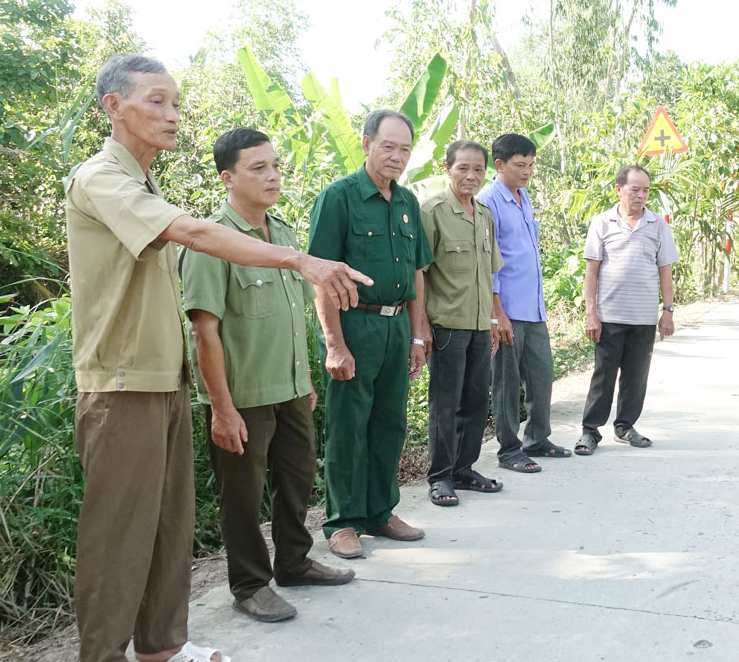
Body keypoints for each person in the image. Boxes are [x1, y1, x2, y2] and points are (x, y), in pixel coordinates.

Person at [66, 55, 369, 662]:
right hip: (120, 383)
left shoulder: (141, 187)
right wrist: (299, 258)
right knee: (119, 529)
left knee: (170, 522)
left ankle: (160, 641)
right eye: (155, 101)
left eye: (176, 102)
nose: (172, 114)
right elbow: (195, 233)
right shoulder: (100, 179)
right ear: (113, 107)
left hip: (161, 377)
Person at [179, 128, 356, 625]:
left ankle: (294, 563)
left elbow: (288, 317)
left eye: (275, 165)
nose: (273, 175)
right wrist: (221, 407)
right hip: (244, 396)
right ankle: (250, 585)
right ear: (227, 178)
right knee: (242, 495)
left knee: (298, 480)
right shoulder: (210, 241)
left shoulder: (283, 235)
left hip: (292, 389)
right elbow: (204, 332)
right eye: (258, 168)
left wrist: (305, 381)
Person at [308, 109, 433, 560]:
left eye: (404, 149)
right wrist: (335, 344)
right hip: (353, 323)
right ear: (366, 144)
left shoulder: (406, 202)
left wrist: (417, 337)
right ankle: (343, 523)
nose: (396, 156)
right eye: (388, 146)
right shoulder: (339, 198)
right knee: (348, 426)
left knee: (389, 423)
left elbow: (417, 272)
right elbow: (321, 276)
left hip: (396, 326)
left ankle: (381, 512)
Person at [418, 140, 506, 506]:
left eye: (478, 170)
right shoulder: (432, 211)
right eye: (462, 169)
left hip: (479, 325)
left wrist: (495, 318)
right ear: (448, 169)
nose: (471, 176)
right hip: (446, 326)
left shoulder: (483, 215)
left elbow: (489, 274)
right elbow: (418, 273)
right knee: (445, 402)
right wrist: (420, 326)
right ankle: (439, 477)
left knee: (474, 400)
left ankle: (464, 468)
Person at [477, 133, 570, 473]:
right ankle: (508, 450)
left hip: (533, 308)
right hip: (506, 311)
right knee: (506, 382)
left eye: (531, 164)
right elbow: (489, 264)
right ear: (499, 165)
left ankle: (538, 438)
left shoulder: (524, 196)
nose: (527, 171)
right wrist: (496, 314)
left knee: (542, 374)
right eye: (520, 165)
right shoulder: (489, 201)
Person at [574, 164, 679, 456]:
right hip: (609, 317)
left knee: (636, 376)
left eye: (645, 190)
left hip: (643, 318)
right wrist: (590, 313)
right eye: (635, 189)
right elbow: (591, 272)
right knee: (603, 376)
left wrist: (667, 311)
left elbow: (665, 271)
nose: (641, 196)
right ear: (619, 189)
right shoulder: (603, 223)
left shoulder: (657, 225)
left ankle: (625, 427)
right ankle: (590, 432)